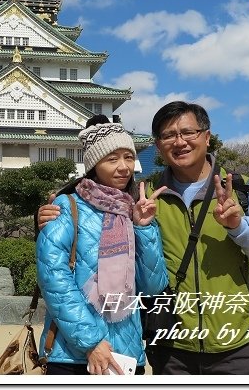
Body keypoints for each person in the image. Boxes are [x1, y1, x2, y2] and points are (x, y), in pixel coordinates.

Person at [38, 102, 249, 375]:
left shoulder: (241, 189)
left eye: (188, 132)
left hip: (236, 345)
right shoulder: (143, 198)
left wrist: (240, 226)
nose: (179, 142)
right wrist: (45, 215)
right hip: (170, 349)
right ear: (158, 146)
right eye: (168, 135)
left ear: (207, 137)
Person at [36, 115, 169, 376]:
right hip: (72, 355)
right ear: (94, 164)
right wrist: (91, 342)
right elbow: (53, 279)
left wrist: (143, 228)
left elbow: (153, 286)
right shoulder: (66, 207)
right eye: (112, 159)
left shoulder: (132, 211)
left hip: (126, 354)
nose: (123, 167)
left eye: (128, 158)